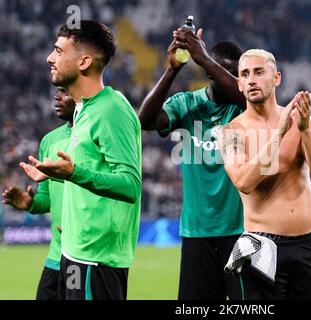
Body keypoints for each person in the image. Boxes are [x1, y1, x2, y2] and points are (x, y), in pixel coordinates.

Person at [23, 20, 142, 300]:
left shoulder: (111, 109)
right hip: (74, 252)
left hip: (95, 262)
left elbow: (130, 184)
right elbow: (88, 170)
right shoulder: (83, 111)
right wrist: (55, 174)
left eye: (59, 51)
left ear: (84, 61)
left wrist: (73, 172)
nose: (50, 58)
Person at [219, 49, 311, 300]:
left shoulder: (302, 121)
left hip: (307, 245)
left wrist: (304, 130)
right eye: (245, 74)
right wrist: (279, 133)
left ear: (277, 78)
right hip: (259, 246)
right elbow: (244, 182)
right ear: (239, 84)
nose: (251, 79)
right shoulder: (231, 132)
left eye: (259, 72)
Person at [138, 27, 245, 299]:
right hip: (197, 233)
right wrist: (172, 69)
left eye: (237, 73)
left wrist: (204, 58)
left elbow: (247, 96)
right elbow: (145, 120)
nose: (236, 79)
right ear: (210, 75)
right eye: (230, 72)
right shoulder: (186, 104)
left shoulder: (244, 107)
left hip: (241, 233)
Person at [2, 87, 75, 300]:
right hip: (54, 257)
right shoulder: (49, 141)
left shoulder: (94, 135)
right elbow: (46, 198)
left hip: (81, 255)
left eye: (65, 92)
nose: (57, 96)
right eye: (57, 91)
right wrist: (32, 203)